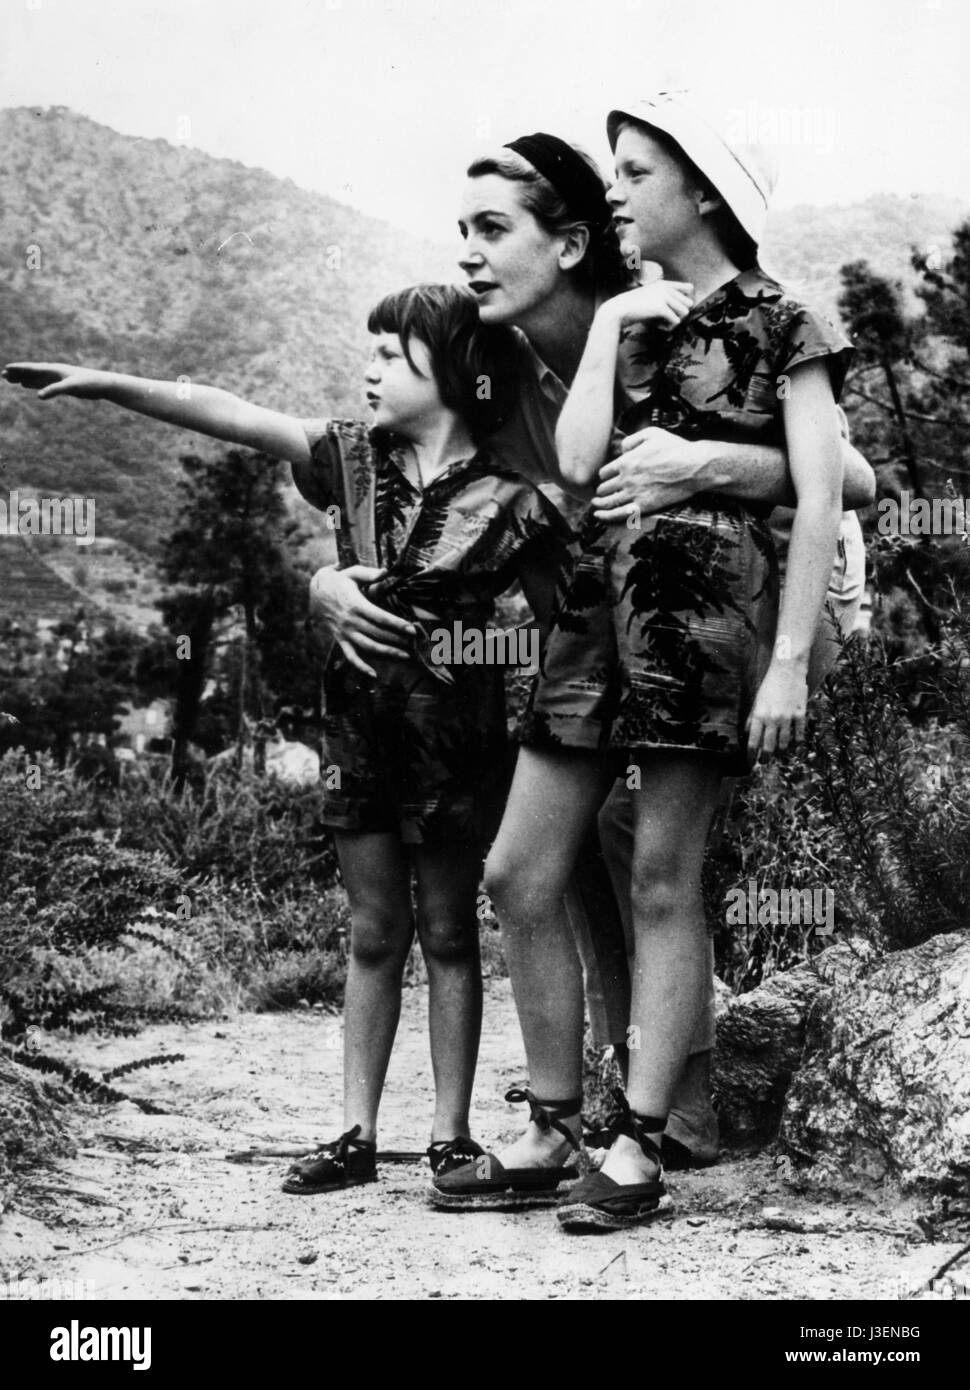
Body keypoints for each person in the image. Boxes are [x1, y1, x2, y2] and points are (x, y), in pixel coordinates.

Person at [311, 131, 873, 1196]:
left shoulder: (682, 310)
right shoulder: (494, 363)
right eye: (461, 233)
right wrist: (326, 581)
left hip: (729, 611)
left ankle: (661, 1111)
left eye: (492, 231)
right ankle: (575, 1113)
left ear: (565, 244)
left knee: (640, 846)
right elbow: (379, 461)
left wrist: (699, 461)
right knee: (543, 859)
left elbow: (852, 480)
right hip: (598, 623)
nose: (469, 257)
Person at [3, 283, 574, 1194]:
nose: (371, 367)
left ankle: (450, 1135)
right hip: (356, 730)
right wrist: (109, 382)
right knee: (374, 928)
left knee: (450, 933)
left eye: (394, 352)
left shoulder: (513, 495)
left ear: (463, 374)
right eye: (371, 349)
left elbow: (561, 626)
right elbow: (229, 414)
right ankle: (353, 1132)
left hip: (459, 742)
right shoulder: (350, 458)